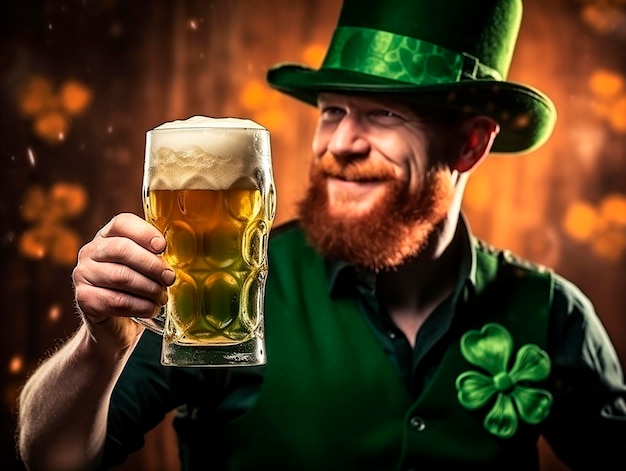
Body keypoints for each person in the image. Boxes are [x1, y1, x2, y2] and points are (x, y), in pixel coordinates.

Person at [16, 0, 626, 470]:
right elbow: (52, 459)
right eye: (332, 110)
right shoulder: (222, 288)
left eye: (384, 114)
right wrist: (101, 345)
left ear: (469, 143)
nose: (339, 144)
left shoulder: (553, 315)